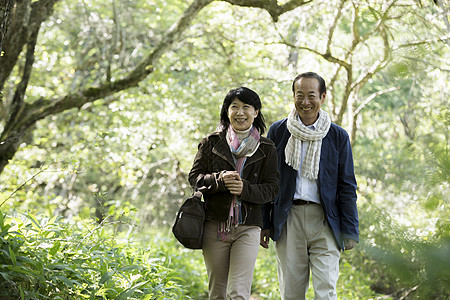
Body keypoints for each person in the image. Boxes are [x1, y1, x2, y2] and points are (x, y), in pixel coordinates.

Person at [260, 72, 359, 300]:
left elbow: (346, 185)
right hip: (289, 218)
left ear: (322, 97)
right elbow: (267, 180)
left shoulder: (337, 136)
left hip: (325, 220)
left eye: (311, 95)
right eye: (299, 95)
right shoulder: (279, 131)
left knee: (326, 291)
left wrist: (350, 228)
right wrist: (264, 222)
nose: (305, 102)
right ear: (293, 96)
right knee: (291, 293)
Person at [188, 87, 279, 300]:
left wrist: (244, 189)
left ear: (256, 112)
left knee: (238, 292)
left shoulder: (266, 148)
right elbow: (195, 179)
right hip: (214, 225)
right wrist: (219, 180)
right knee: (218, 293)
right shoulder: (211, 142)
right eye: (234, 107)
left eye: (246, 107)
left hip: (248, 227)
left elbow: (272, 189)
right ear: (227, 112)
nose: (240, 112)